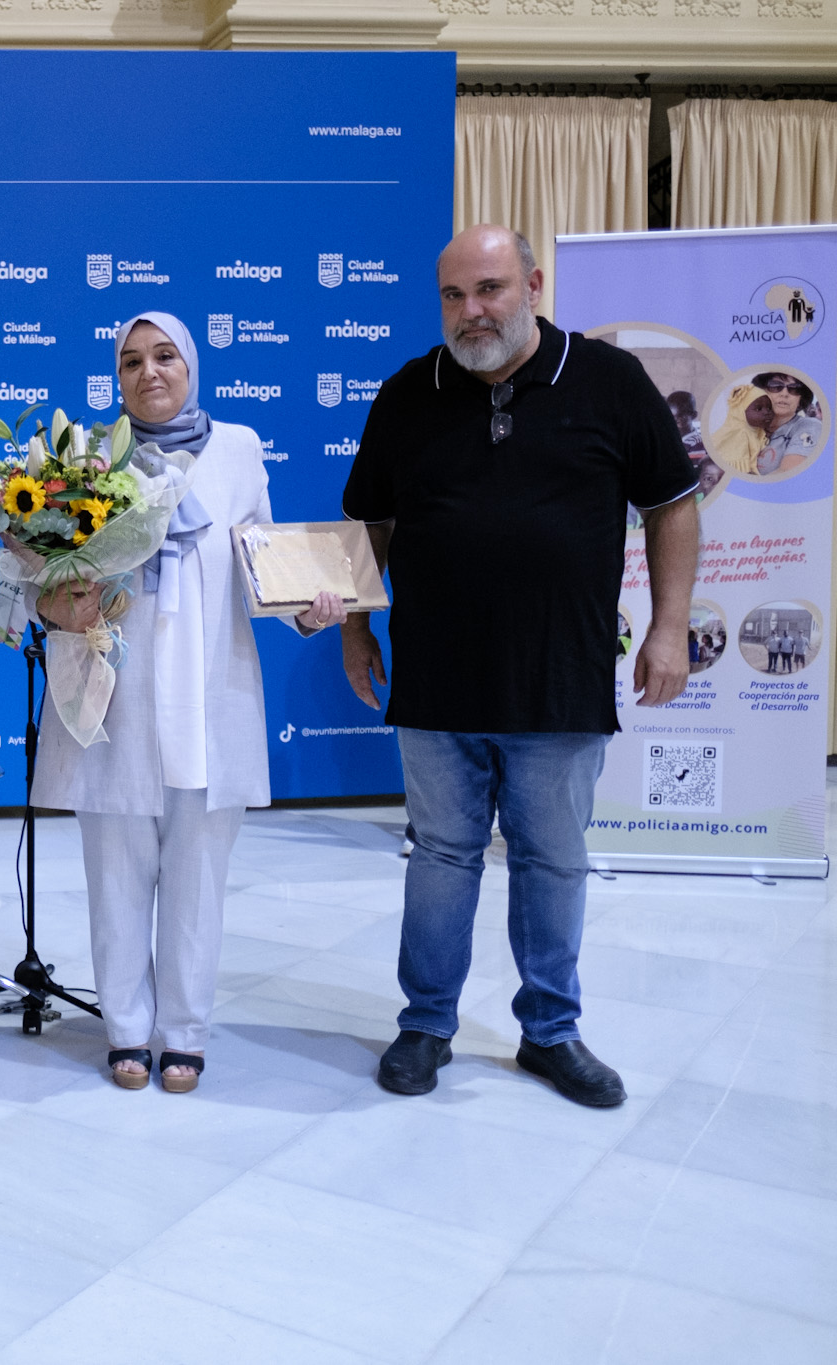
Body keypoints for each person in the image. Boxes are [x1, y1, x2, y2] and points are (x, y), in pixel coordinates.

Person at [340, 226, 699, 1109]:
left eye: (492, 289)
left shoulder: (610, 382)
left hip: (561, 679)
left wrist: (670, 626)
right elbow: (366, 526)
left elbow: (672, 505)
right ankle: (425, 1023)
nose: (474, 313)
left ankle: (551, 1031)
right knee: (442, 857)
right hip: (436, 681)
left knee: (551, 860)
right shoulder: (406, 394)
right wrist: (357, 628)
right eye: (455, 297)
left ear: (534, 284)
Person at [30, 313, 347, 1093]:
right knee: (115, 873)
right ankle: (127, 1029)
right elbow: (34, 585)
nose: (150, 373)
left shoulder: (238, 448)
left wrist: (307, 608)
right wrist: (55, 605)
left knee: (199, 875)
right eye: (131, 361)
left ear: (191, 364)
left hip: (208, 690)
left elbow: (263, 564)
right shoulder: (85, 461)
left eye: (165, 356)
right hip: (112, 697)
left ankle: (185, 1030)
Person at [749, 372, 822, 475]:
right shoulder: (748, 427)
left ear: (800, 400)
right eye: (775, 386)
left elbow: (787, 472)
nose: (784, 393)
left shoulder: (810, 426)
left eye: (794, 389)